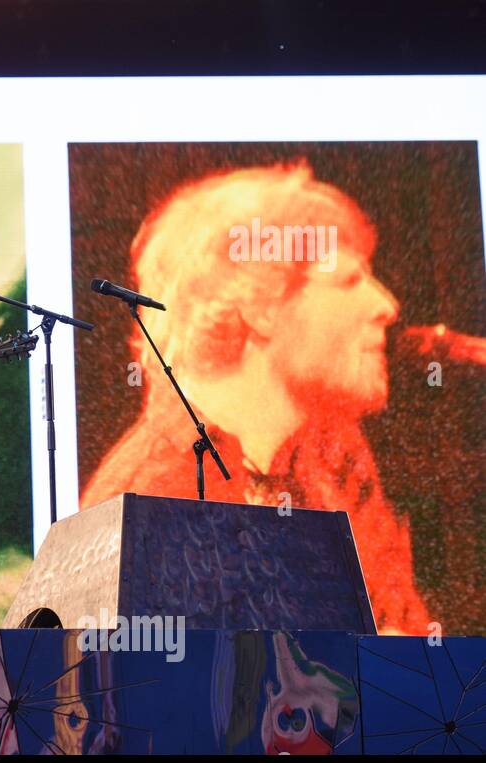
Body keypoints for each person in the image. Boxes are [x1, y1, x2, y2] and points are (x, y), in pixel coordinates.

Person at [82, 162, 429, 634]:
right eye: (349, 281)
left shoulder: (336, 454)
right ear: (261, 306)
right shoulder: (147, 496)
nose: (386, 306)